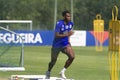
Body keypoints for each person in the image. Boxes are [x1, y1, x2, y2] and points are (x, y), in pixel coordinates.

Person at [45, 10, 75, 79]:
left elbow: (69, 33)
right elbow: (56, 35)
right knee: (53, 61)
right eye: (67, 16)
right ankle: (48, 71)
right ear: (64, 16)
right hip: (56, 45)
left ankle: (62, 71)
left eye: (70, 16)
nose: (69, 17)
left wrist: (68, 41)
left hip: (65, 44)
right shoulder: (59, 24)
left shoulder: (71, 24)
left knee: (72, 57)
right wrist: (67, 34)